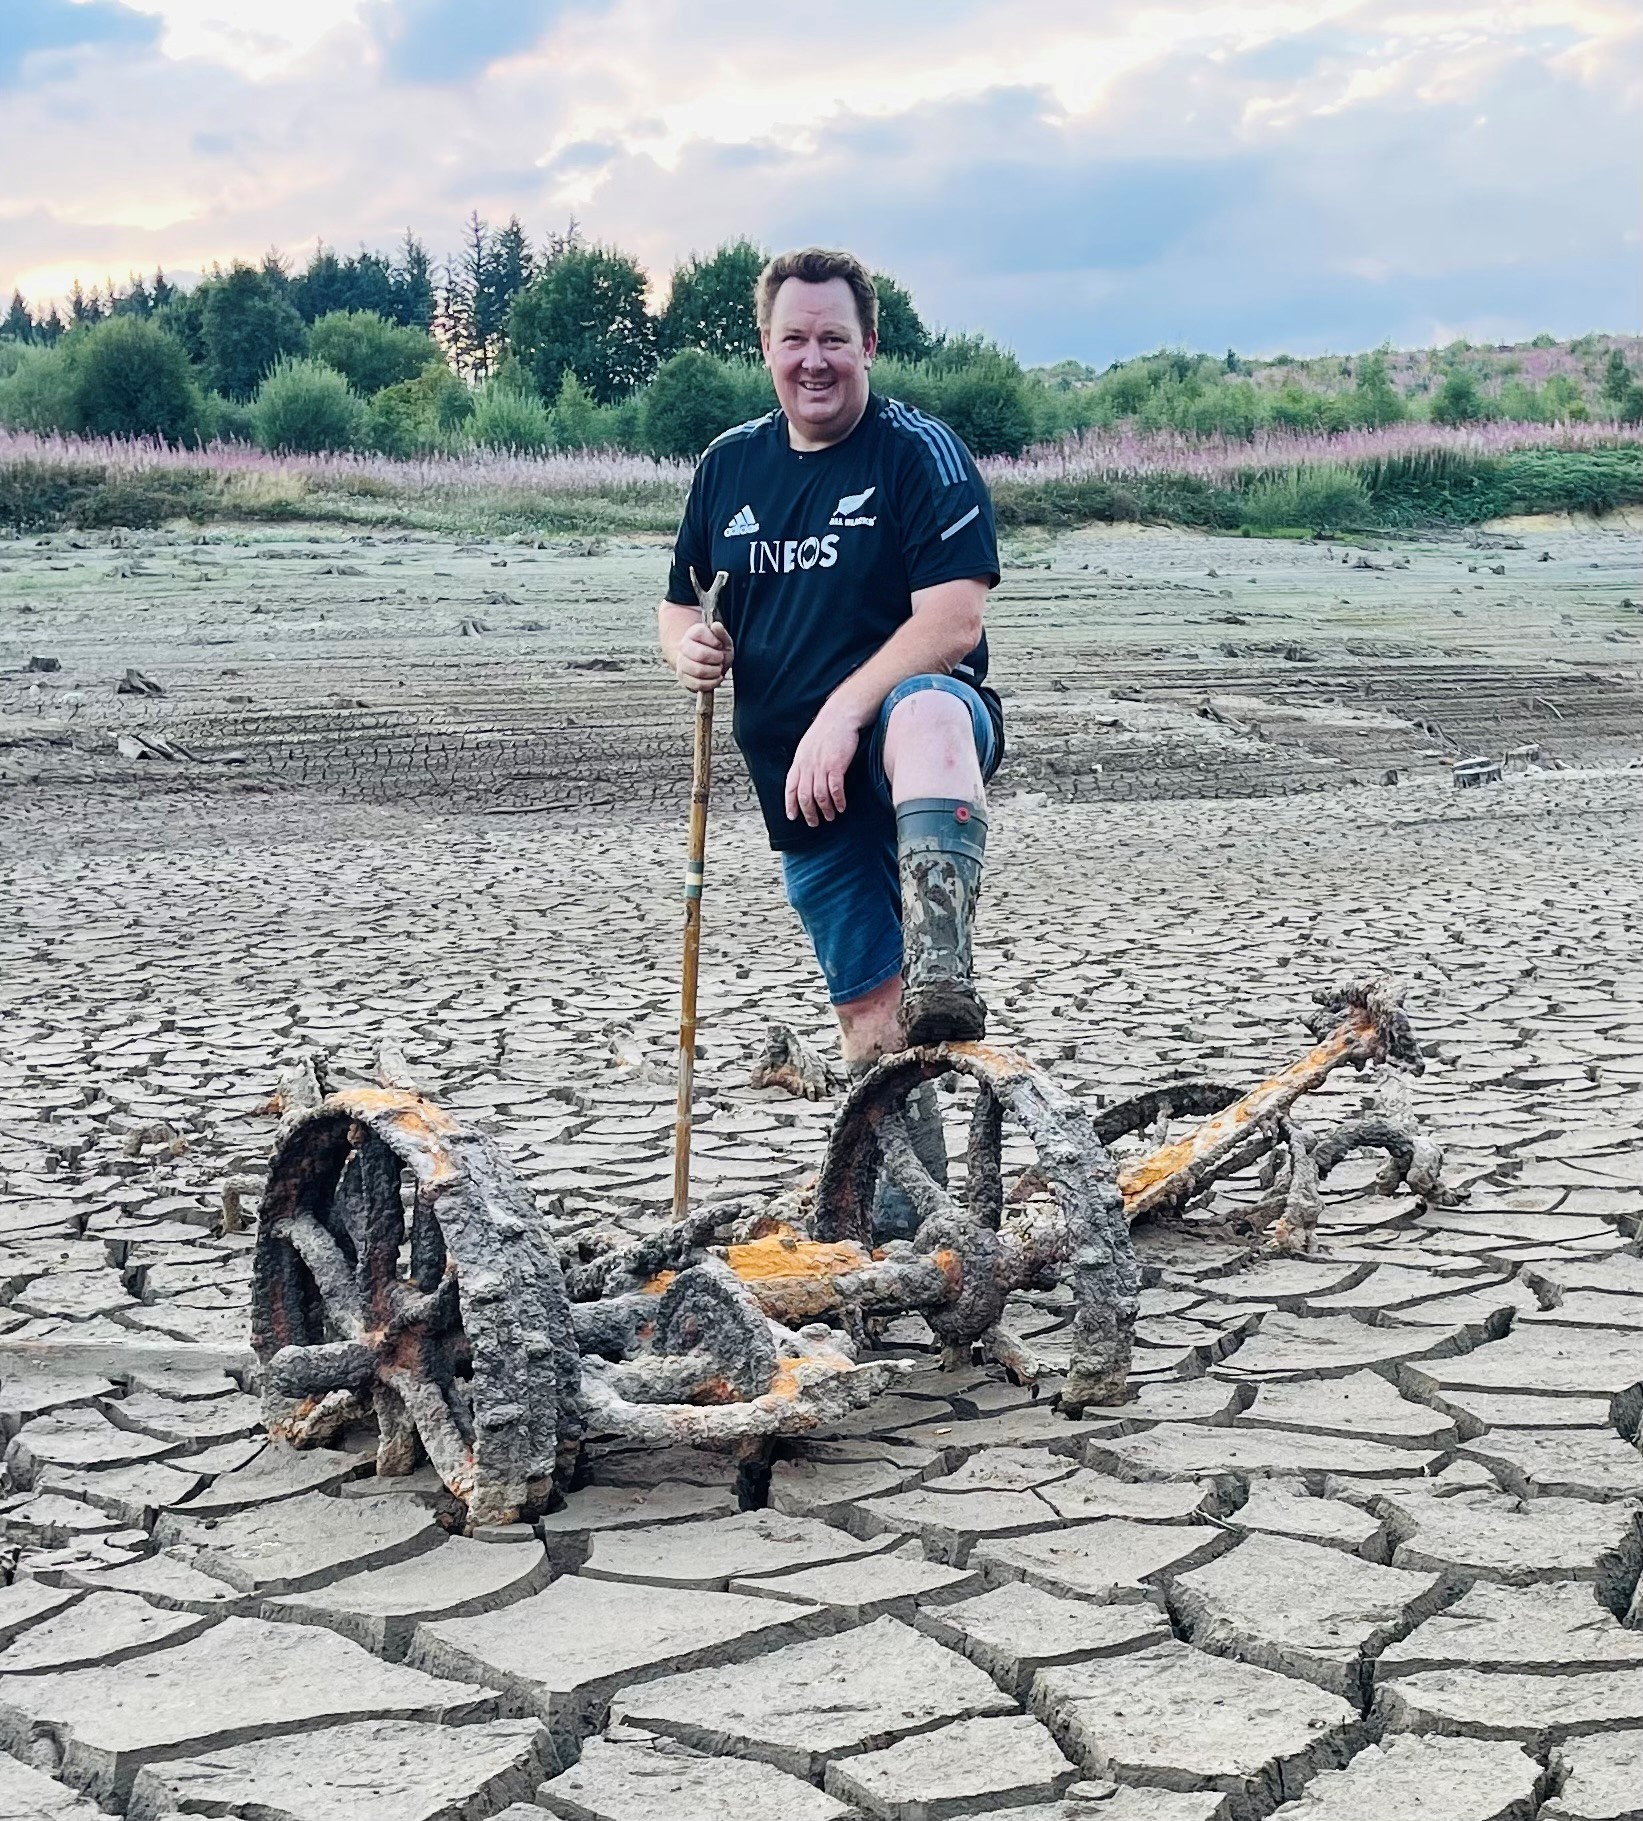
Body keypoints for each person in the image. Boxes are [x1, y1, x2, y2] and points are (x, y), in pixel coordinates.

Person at [657, 246, 1003, 1197]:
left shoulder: (915, 451)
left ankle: (943, 962)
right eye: (794, 338)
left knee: (924, 704)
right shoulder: (728, 466)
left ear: (869, 344)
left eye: (834, 339)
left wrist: (844, 711)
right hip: (798, 789)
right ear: (766, 345)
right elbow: (682, 600)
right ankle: (918, 1218)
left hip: (915, 755)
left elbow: (954, 617)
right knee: (872, 1028)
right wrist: (686, 646)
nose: (815, 359)